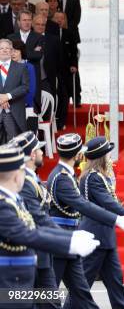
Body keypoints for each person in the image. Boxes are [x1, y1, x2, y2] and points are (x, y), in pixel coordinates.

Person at [0, 142, 100, 309]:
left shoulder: (12, 200)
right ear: (18, 174)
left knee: (58, 300)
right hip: (11, 283)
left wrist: (70, 238)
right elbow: (27, 233)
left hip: (22, 278)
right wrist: (69, 242)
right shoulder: (4, 204)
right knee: (53, 301)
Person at [47, 133, 124, 309]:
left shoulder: (67, 175)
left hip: (69, 238)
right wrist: (117, 218)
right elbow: (84, 206)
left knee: (80, 291)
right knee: (49, 291)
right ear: (76, 153)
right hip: (61, 239)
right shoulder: (63, 177)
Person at [77, 136, 124, 309]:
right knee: (81, 287)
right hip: (94, 237)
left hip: (105, 237)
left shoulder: (100, 176)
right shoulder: (93, 177)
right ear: (102, 156)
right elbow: (110, 204)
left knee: (116, 286)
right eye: (108, 154)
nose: (110, 157)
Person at [13, 131, 62, 309]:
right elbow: (38, 216)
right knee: (49, 304)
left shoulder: (32, 179)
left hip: (41, 254)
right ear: (32, 155)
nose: (43, 152)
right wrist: (67, 238)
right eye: (39, 150)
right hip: (34, 254)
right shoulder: (25, 181)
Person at [56, 0, 82, 106]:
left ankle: (76, 96)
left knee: (73, 67)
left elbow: (76, 19)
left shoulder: (74, 0)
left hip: (70, 37)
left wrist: (66, 32)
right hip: (56, 37)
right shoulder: (53, 0)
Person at [53, 12, 78, 130]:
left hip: (66, 70)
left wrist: (74, 65)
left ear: (65, 20)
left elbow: (74, 52)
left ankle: (61, 122)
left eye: (61, 18)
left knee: (64, 96)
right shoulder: (49, 33)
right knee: (54, 95)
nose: (59, 20)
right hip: (52, 70)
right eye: (57, 18)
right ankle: (53, 119)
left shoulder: (69, 33)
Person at [0, 39, 29, 142]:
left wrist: (8, 96)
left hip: (12, 111)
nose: (4, 50)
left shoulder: (21, 67)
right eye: (1, 48)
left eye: (7, 48)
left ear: (12, 51)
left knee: (13, 143)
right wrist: (1, 99)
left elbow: (25, 87)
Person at [32, 14, 61, 102]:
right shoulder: (26, 38)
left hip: (47, 80)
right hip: (30, 80)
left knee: (47, 106)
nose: (40, 27)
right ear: (32, 25)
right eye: (38, 24)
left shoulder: (54, 40)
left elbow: (59, 61)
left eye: (43, 25)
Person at [10, 40, 36, 132]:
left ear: (22, 52)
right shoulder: (6, 67)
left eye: (16, 51)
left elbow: (31, 91)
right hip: (8, 105)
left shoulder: (29, 67)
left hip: (26, 106)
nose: (13, 54)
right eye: (11, 51)